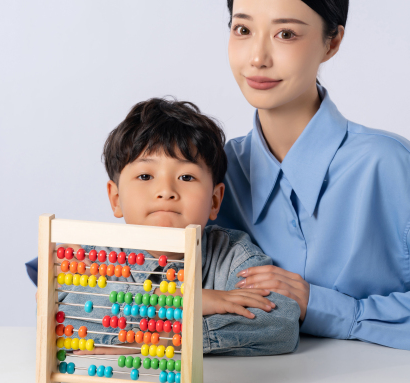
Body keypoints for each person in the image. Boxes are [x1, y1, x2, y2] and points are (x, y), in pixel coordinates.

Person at [215, 0, 410, 351]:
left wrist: (325, 305)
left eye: (285, 33)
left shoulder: (394, 170)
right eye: (243, 29)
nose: (257, 57)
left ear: (332, 42)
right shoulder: (210, 174)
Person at [26, 98, 300, 356]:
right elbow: (59, 312)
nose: (166, 191)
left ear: (215, 200)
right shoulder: (89, 260)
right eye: (145, 175)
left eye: (186, 176)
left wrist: (169, 341)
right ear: (116, 198)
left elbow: (281, 323)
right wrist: (183, 302)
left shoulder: (233, 256)